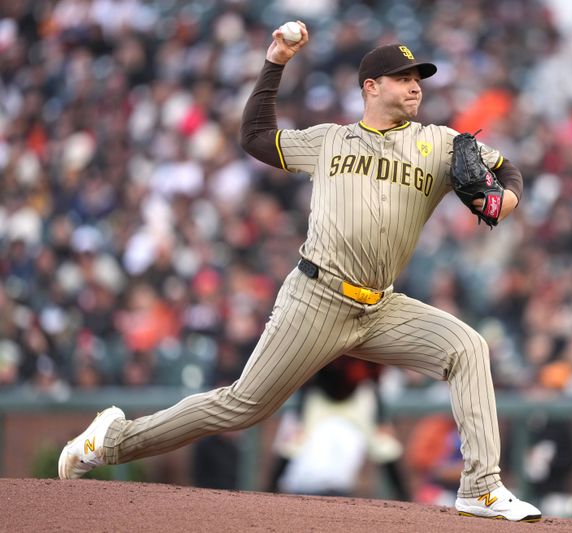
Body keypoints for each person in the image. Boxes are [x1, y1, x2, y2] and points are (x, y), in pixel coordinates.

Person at [57, 21, 542, 523]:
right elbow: (255, 136)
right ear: (370, 87)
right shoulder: (330, 140)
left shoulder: (440, 144)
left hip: (381, 305)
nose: (415, 85)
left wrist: (505, 198)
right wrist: (276, 62)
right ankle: (110, 441)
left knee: (468, 348)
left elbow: (507, 170)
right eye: (402, 77)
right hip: (318, 298)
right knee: (242, 407)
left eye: (419, 77)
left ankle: (481, 488)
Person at [265, 356, 408, 500]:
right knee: (293, 444)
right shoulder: (321, 339)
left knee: (385, 446)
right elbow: (307, 376)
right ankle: (267, 495)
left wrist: (381, 419)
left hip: (357, 397)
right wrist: (300, 417)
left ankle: (405, 501)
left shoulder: (361, 343)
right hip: (321, 397)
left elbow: (373, 378)